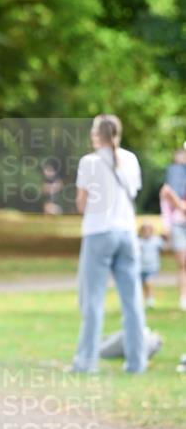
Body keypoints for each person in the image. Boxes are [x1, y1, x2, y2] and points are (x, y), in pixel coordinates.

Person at [71, 114, 146, 373]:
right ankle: (137, 363)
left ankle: (86, 362)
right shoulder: (131, 159)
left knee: (92, 300)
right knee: (132, 301)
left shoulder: (88, 162)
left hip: (98, 233)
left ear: (96, 135)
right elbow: (134, 192)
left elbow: (82, 203)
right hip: (126, 233)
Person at [159, 145, 186, 311]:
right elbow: (166, 202)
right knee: (183, 262)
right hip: (178, 223)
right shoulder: (174, 176)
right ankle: (184, 297)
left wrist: (177, 201)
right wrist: (166, 226)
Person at [137, 222, 164, 309]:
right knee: (143, 285)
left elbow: (163, 249)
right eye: (145, 230)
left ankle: (151, 298)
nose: (147, 232)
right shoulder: (139, 241)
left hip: (152, 267)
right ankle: (146, 299)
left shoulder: (156, 241)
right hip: (141, 267)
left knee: (149, 282)